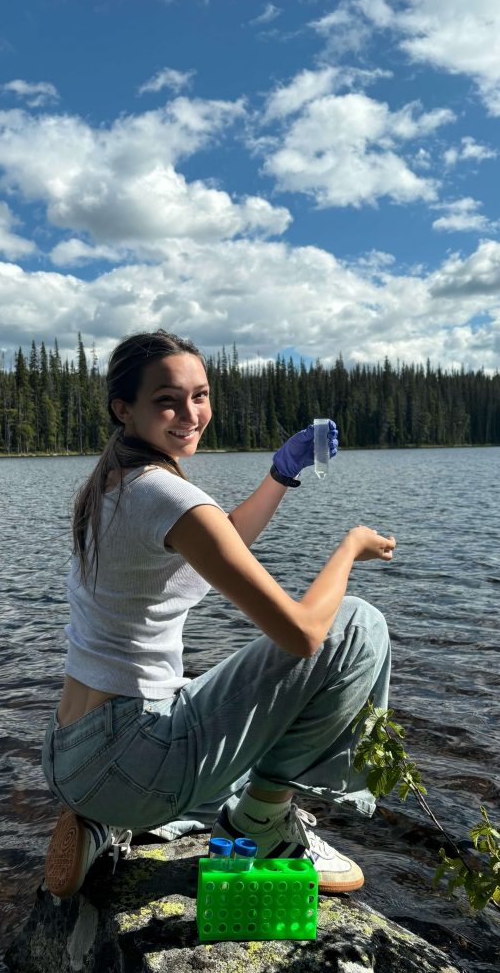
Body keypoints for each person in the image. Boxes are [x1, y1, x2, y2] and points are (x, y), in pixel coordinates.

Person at [41, 329, 395, 899]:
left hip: (69, 754)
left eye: (200, 395)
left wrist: (283, 473)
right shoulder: (169, 497)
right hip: (131, 755)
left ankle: (105, 822)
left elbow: (219, 540)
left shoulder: (111, 484)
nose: (190, 413)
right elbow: (304, 634)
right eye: (167, 399)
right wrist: (350, 547)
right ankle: (263, 823)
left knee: (227, 726)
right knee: (356, 626)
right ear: (124, 409)